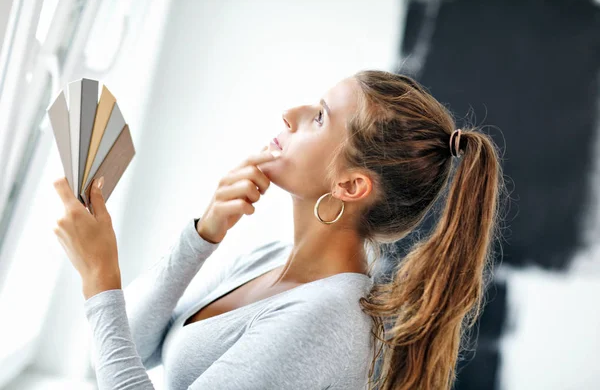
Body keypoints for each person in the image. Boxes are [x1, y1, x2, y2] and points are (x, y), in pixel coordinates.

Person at [52, 69, 505, 390]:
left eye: (321, 116)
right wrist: (202, 236)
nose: (291, 113)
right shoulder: (268, 258)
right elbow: (126, 346)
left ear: (349, 185)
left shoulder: (325, 319)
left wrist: (99, 275)